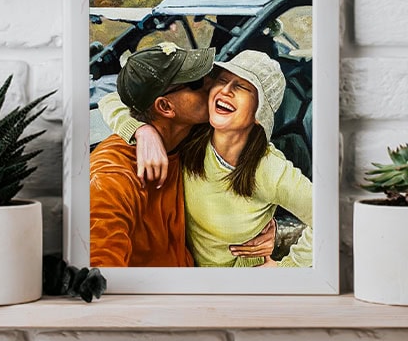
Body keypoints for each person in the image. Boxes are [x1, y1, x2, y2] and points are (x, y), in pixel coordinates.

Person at [104, 50, 314, 268]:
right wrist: (142, 130)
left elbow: (331, 218)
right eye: (222, 80)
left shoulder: (271, 170)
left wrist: (286, 270)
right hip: (183, 271)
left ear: (259, 113)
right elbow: (112, 98)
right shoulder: (193, 136)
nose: (225, 90)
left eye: (241, 87)